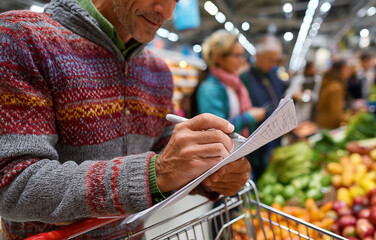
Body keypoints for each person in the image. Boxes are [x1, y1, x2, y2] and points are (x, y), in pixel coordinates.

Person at [0, 0, 251, 239]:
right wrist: (156, 172)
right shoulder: (21, 38)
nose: (166, 11)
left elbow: (163, 147)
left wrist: (209, 173)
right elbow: (12, 184)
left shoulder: (157, 71)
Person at [195, 30, 266, 137]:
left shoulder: (235, 84)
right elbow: (216, 130)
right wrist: (249, 117)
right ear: (219, 58)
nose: (242, 61)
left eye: (242, 55)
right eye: (237, 56)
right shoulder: (209, 89)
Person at [240, 35, 287, 181]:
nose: (273, 64)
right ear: (257, 56)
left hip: (275, 139)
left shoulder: (273, 76)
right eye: (270, 59)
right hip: (257, 144)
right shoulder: (245, 78)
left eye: (276, 60)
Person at [316, 60, 352, 129]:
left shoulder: (329, 82)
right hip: (329, 127)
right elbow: (337, 116)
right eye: (347, 69)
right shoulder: (336, 87)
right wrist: (353, 120)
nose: (349, 72)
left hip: (322, 123)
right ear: (340, 70)